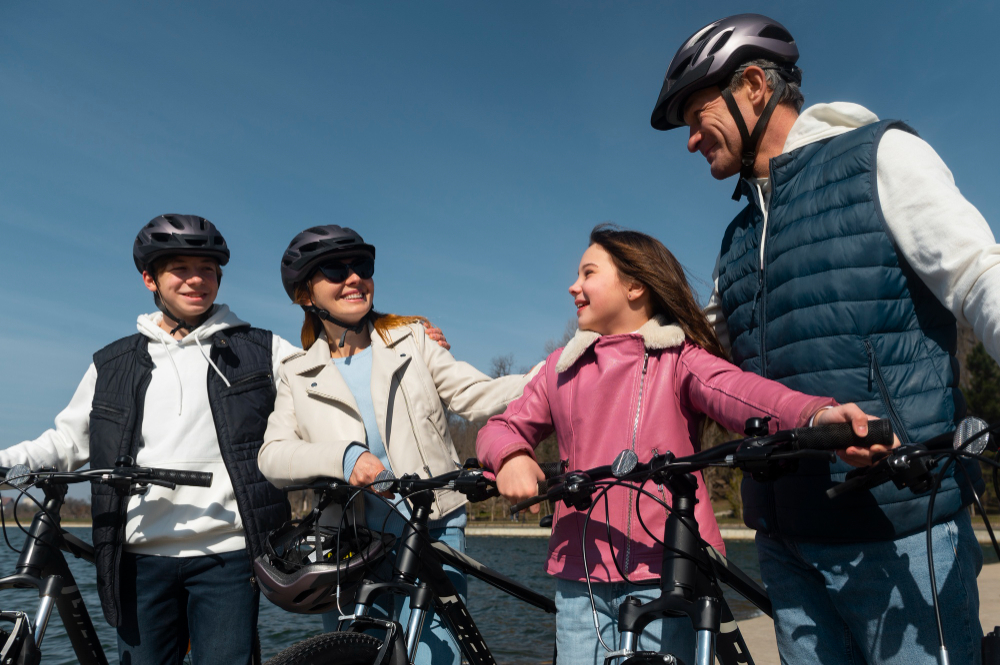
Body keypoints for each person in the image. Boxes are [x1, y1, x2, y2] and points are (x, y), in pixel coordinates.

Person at [650, 14, 1000, 664]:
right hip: (786, 540)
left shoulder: (880, 156)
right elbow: (709, 361)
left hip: (900, 531)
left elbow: (981, 274)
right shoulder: (736, 238)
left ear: (754, 85)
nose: (692, 140)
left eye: (698, 117)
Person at [477, 224, 877, 665]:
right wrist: (511, 455)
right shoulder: (560, 368)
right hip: (581, 580)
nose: (573, 286)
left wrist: (817, 417)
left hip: (670, 572)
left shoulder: (679, 358)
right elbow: (500, 426)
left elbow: (744, 394)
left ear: (635, 286)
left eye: (588, 273)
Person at [0, 214, 301, 664]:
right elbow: (65, 443)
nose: (196, 279)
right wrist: (5, 465)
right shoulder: (113, 362)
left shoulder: (263, 349)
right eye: (180, 268)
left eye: (208, 269)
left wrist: (387, 330)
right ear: (149, 278)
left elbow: (326, 393)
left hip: (229, 555)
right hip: (138, 559)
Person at [257, 224, 539, 665]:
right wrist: (345, 458)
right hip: (349, 545)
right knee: (356, 655)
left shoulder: (414, 340)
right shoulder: (296, 372)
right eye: (334, 270)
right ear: (305, 295)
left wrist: (560, 371)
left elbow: (477, 395)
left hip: (434, 527)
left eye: (361, 266)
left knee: (433, 657)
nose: (353, 278)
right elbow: (272, 456)